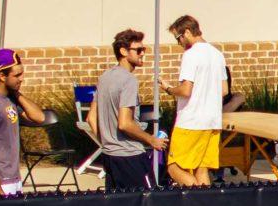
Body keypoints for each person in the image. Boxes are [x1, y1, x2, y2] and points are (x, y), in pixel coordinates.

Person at [93, 30, 165, 192]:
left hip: (110, 156)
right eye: (138, 50)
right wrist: (151, 140)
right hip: (130, 155)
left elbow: (91, 118)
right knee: (147, 203)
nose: (142, 54)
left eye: (143, 50)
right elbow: (125, 124)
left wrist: (108, 141)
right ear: (123, 51)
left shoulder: (105, 77)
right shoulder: (129, 80)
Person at [0, 49, 51, 198]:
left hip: (13, 178)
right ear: (2, 76)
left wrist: (17, 94)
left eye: (22, 73)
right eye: (16, 75)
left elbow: (39, 117)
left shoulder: (11, 98)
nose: (21, 78)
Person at [165, 15, 228, 188]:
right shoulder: (217, 54)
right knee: (202, 169)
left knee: (173, 167)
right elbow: (224, 90)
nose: (179, 43)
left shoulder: (190, 55)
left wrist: (169, 89)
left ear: (186, 32)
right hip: (212, 121)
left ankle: (196, 200)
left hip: (191, 121)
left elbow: (185, 90)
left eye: (178, 38)